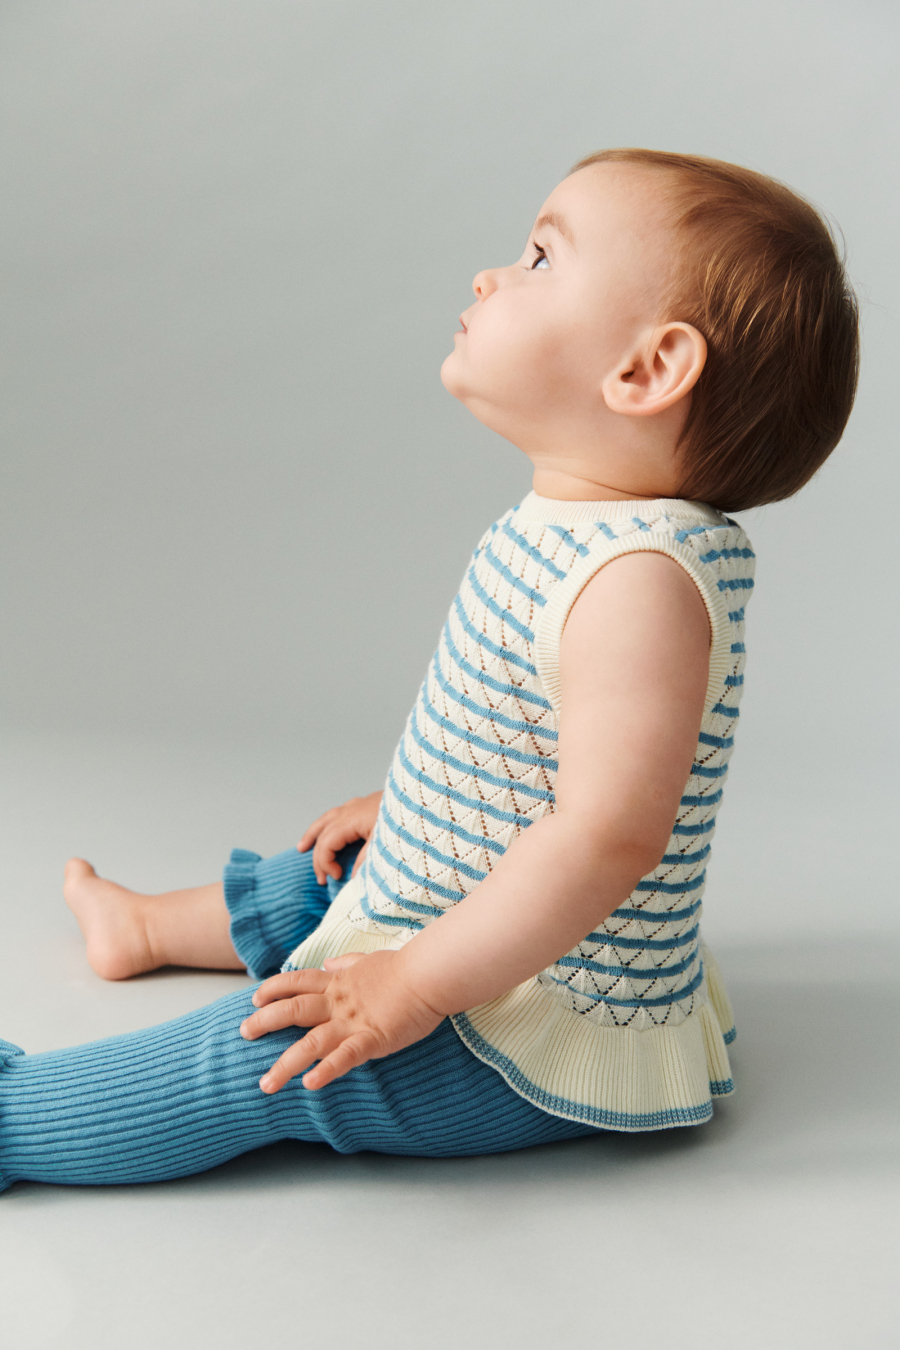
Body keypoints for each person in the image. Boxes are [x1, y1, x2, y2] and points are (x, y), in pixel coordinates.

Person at [0, 148, 859, 1191]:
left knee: (267, 1054)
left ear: (644, 371)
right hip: (495, 923)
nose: (490, 276)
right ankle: (141, 928)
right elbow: (530, 736)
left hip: (521, 1020)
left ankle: (17, 1120)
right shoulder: (583, 528)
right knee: (336, 871)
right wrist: (421, 802)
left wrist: (408, 986)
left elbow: (608, 835)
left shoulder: (640, 582)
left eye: (540, 258)